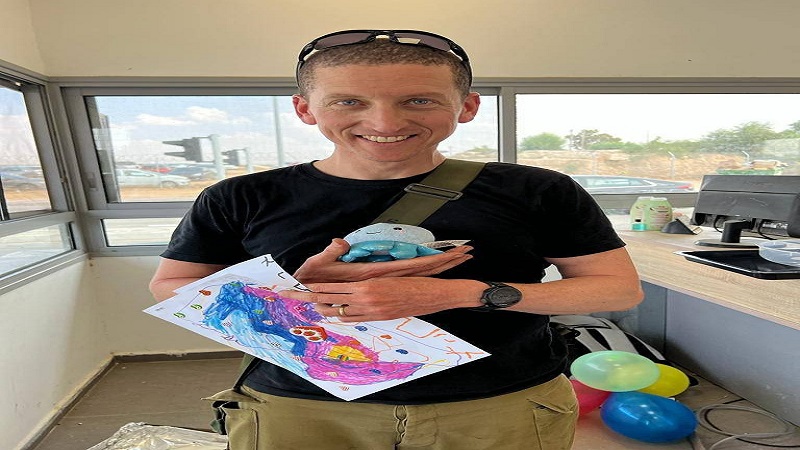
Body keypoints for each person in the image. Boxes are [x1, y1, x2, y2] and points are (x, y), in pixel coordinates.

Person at [149, 29, 644, 450]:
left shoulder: (537, 190)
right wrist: (295, 290)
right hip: (302, 407)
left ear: (467, 106)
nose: (385, 123)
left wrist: (464, 293)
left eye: (419, 100)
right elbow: (171, 286)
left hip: (497, 404)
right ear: (305, 109)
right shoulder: (241, 196)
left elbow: (616, 289)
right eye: (349, 101)